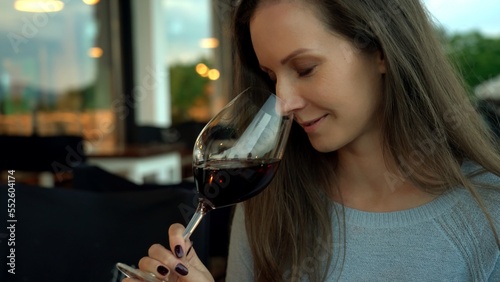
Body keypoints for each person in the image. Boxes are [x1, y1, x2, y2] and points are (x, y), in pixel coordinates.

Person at [125, 0, 500, 281]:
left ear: (382, 50)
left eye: (305, 69)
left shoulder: (487, 217)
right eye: (271, 76)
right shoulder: (269, 204)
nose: (283, 102)